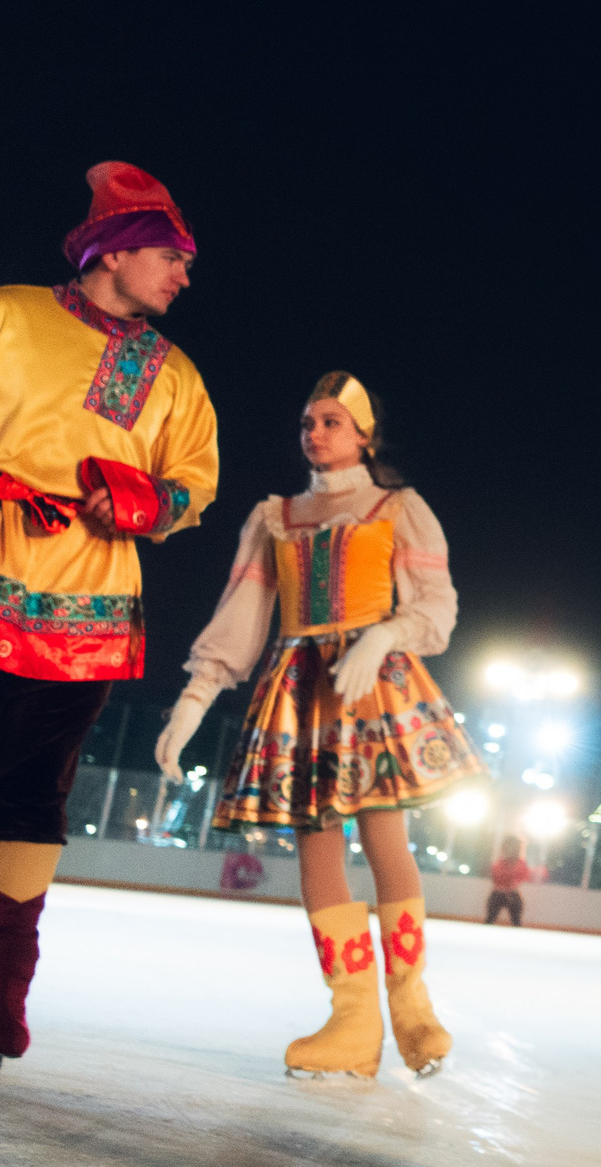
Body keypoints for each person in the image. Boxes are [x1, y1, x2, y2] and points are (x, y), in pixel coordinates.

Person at [157, 372, 484, 1080]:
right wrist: (194, 698)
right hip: (301, 689)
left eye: (333, 420)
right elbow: (241, 617)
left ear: (365, 433)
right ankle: (352, 1019)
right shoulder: (274, 515)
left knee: (385, 833)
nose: (316, 432)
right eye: (309, 421)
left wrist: (384, 634)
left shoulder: (399, 507)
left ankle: (413, 1007)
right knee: (316, 842)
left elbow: (438, 607)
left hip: (373, 684)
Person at [0, 163, 219, 1069]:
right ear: (118, 251)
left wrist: (151, 503)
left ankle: (5, 978)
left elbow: (196, 484)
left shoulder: (171, 374)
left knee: (34, 792)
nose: (184, 275)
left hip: (89, 611)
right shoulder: (11, 314)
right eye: (172, 256)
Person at [487, 836, 533, 925]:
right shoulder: (498, 864)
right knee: (490, 919)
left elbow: (521, 879)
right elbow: (496, 878)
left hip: (512, 893)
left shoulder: (521, 865)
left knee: (516, 921)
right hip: (498, 893)